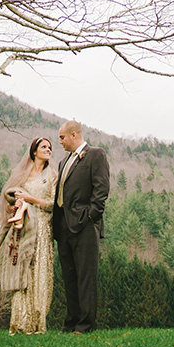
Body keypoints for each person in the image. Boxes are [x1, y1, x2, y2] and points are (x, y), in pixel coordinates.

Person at [0, 136, 58, 334]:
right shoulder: (21, 176)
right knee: (23, 272)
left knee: (40, 273)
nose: (48, 149)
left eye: (50, 147)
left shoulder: (52, 176)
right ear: (34, 151)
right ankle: (19, 323)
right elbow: (10, 200)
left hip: (43, 228)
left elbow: (53, 204)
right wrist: (17, 204)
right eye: (44, 147)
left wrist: (30, 198)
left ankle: (37, 324)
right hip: (24, 228)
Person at [53, 120, 110, 334]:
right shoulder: (63, 162)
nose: (59, 142)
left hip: (85, 226)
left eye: (62, 137)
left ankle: (85, 325)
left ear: (74, 135)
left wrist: (90, 218)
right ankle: (71, 322)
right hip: (63, 227)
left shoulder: (96, 155)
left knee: (86, 277)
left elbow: (101, 190)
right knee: (69, 277)